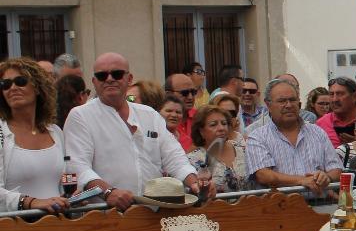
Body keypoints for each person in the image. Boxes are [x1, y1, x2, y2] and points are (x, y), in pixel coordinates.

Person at [65, 53, 202, 211]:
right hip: (106, 214)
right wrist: (109, 192)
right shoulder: (80, 115)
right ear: (94, 82)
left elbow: (175, 158)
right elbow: (77, 166)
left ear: (129, 79)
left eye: (116, 74)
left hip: (153, 213)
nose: (109, 79)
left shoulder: (149, 114)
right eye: (102, 75)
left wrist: (194, 183)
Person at [246, 79, 340, 194]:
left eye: (292, 100)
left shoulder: (317, 132)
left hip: (320, 204)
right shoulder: (258, 137)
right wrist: (301, 180)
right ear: (268, 105)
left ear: (299, 103)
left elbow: (336, 168)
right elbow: (264, 175)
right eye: (282, 101)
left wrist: (326, 177)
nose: (289, 105)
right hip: (279, 207)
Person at [0, 58, 69, 213]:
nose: (13, 88)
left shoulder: (55, 132)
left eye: (20, 81)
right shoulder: (1, 133)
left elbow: (65, 176)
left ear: (38, 87)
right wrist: (31, 202)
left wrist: (71, 195)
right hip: (14, 230)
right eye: (5, 84)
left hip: (57, 225)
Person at [187, 106, 251, 194]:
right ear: (201, 131)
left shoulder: (244, 149)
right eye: (213, 125)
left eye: (224, 123)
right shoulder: (192, 160)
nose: (221, 128)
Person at [317, 77, 356, 148]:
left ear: (355, 96)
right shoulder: (321, 124)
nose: (335, 99)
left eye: (340, 94)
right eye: (331, 94)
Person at [164, 72, 197, 150]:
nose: (190, 97)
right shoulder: (159, 120)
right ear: (168, 94)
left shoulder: (200, 116)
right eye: (184, 93)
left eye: (193, 92)